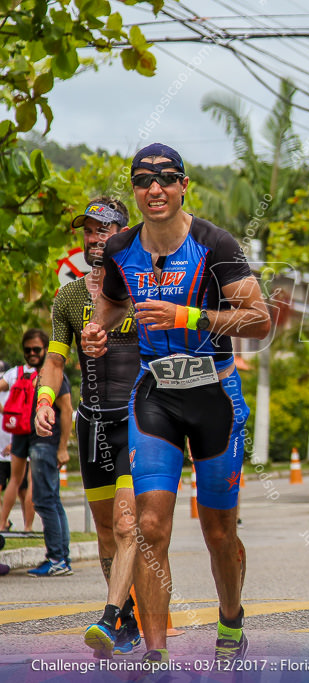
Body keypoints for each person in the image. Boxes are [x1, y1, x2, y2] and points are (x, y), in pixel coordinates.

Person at [80, 143, 270, 666]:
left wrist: (191, 317)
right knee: (151, 526)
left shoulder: (215, 244)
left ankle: (230, 619)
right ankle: (155, 653)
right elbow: (113, 303)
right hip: (155, 397)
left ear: (184, 184)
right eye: (143, 180)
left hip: (214, 395)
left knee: (218, 532)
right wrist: (97, 331)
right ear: (135, 189)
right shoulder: (121, 248)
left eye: (165, 178)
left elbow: (259, 320)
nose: (154, 188)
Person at [34, 198, 142, 656]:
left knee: (126, 524)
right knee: (103, 534)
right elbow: (56, 359)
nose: (94, 239)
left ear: (123, 233)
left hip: (141, 419)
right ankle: (129, 620)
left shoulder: (143, 287)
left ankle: (110, 615)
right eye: (89, 232)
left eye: (104, 230)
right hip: (92, 423)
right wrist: (44, 400)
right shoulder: (70, 296)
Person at [0, 330, 72, 576]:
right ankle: (60, 557)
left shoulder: (54, 376)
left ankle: (57, 559)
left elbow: (67, 410)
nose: (32, 354)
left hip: (46, 442)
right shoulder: (23, 375)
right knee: (49, 499)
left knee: (45, 499)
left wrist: (63, 447)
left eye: (37, 349)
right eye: (27, 349)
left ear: (46, 350)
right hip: (24, 438)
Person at [0, 360, 34, 534]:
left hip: (17, 435)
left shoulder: (14, 374)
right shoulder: (41, 373)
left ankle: (6, 523)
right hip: (29, 435)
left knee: (18, 484)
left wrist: (6, 412)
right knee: (27, 485)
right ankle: (23, 526)